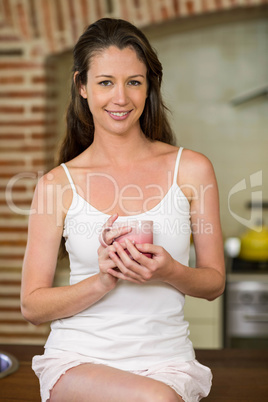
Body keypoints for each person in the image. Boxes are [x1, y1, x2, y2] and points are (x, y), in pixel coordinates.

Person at [21, 18, 225, 402]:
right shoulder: (56, 185)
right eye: (105, 82)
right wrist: (104, 279)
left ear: (149, 86)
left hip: (167, 361)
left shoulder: (193, 169)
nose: (121, 98)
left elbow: (214, 283)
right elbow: (32, 305)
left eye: (134, 81)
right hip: (79, 360)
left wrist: (170, 271)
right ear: (82, 86)